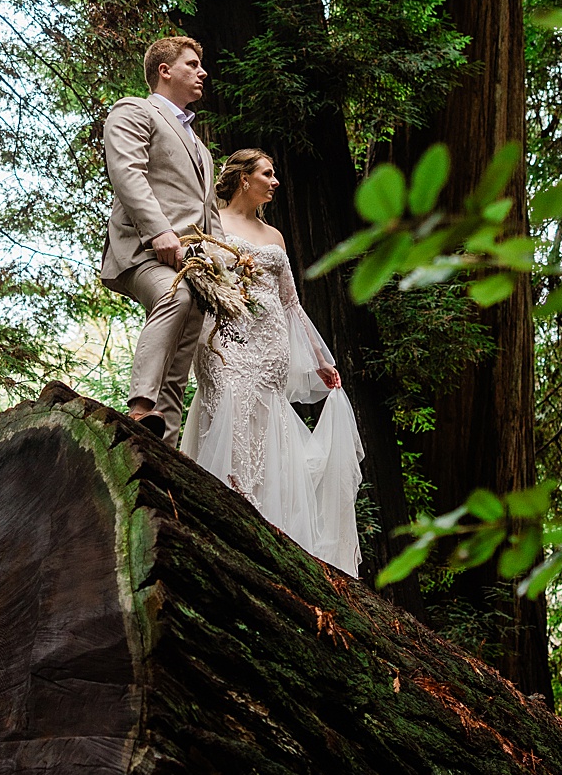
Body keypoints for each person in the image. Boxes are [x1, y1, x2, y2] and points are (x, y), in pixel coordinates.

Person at [179, 149, 365, 577]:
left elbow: (291, 305)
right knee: (225, 402)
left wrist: (320, 359)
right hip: (224, 338)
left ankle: (266, 526)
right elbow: (197, 276)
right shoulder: (211, 222)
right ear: (244, 179)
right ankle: (227, 509)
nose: (275, 181)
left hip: (270, 346)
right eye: (268, 173)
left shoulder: (276, 236)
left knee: (265, 422)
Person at [99, 36, 216, 440]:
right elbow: (126, 172)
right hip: (145, 252)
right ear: (164, 71)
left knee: (183, 354)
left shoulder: (201, 148)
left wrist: (221, 266)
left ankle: (162, 446)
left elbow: (209, 213)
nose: (202, 72)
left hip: (196, 264)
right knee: (174, 296)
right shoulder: (134, 110)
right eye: (192, 64)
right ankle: (139, 409)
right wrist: (160, 231)